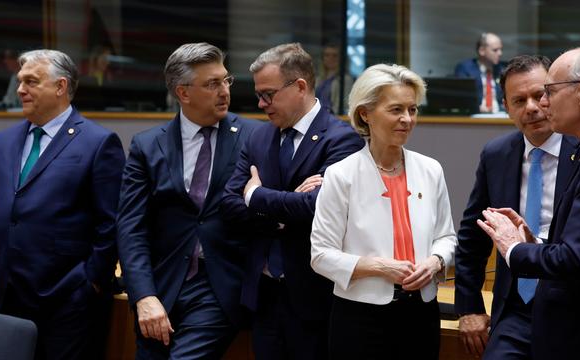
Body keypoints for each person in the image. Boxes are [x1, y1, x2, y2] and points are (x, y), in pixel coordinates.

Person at [478, 46, 580, 359]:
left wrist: (514, 248)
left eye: (549, 91)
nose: (543, 103)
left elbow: (576, 258)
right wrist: (538, 242)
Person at [221, 42, 363, 360]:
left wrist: (256, 195)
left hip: (315, 297)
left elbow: (318, 208)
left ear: (300, 86)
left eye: (268, 94)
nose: (261, 104)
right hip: (265, 295)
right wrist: (284, 212)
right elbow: (229, 204)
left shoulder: (341, 139)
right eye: (259, 94)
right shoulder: (258, 137)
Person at [117, 42, 258, 359]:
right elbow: (131, 227)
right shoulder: (147, 146)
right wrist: (143, 295)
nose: (224, 91)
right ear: (183, 93)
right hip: (162, 285)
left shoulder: (253, 137)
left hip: (219, 287)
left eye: (226, 80)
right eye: (212, 84)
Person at [310, 63, 457, 359]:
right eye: (396, 110)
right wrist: (381, 267)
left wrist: (435, 261)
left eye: (412, 110)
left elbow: (447, 236)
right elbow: (321, 255)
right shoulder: (341, 175)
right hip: (360, 316)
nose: (407, 119)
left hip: (421, 312)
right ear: (365, 114)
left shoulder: (431, 169)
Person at [0, 49, 125, 359]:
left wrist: (90, 282)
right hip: (7, 296)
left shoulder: (97, 142)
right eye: (20, 81)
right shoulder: (4, 140)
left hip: (67, 300)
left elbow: (111, 222)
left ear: (60, 87)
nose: (20, 89)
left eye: (31, 82)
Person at [454, 55, 577, 359]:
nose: (532, 107)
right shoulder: (496, 154)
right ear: (506, 108)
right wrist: (469, 308)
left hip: (575, 307)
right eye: (519, 100)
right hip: (515, 310)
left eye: (540, 95)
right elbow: (473, 235)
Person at [454, 32, 504, 113]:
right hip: (475, 117)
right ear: (482, 51)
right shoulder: (465, 69)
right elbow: (461, 99)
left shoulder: (503, 69)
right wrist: (477, 109)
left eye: (501, 49)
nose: (500, 53)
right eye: (495, 50)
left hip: (501, 115)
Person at [315, 44, 353, 115]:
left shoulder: (345, 79)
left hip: (333, 119)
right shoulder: (318, 79)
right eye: (327, 55)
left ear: (341, 58)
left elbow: (344, 104)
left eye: (335, 55)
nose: (330, 58)